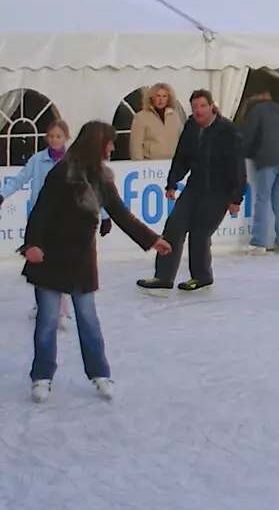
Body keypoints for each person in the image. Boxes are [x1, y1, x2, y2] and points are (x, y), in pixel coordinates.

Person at [19, 121, 171, 403]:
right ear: (97, 143)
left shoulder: (102, 177)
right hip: (51, 257)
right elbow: (39, 212)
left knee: (88, 320)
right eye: (109, 142)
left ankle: (100, 373)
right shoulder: (62, 172)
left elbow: (121, 213)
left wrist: (151, 239)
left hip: (81, 260)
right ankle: (41, 376)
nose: (112, 147)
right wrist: (32, 245)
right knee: (47, 321)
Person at [137, 90, 246, 295]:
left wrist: (236, 197)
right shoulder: (191, 127)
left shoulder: (227, 130)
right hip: (194, 187)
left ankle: (202, 277)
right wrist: (172, 183)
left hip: (218, 192)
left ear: (212, 106)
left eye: (202, 106)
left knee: (199, 233)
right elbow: (182, 157)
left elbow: (237, 166)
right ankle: (163, 277)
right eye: (194, 107)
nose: (198, 111)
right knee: (174, 227)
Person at [2, 120, 106, 330]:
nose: (55, 140)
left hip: (65, 218)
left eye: (59, 136)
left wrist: (104, 215)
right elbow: (19, 179)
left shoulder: (74, 162)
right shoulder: (37, 160)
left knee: (60, 260)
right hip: (42, 217)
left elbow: (94, 190)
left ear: (66, 138)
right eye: (51, 136)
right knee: (40, 260)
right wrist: (2, 194)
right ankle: (43, 302)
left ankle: (60, 307)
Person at [240, 91, 279, 254]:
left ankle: (259, 241)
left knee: (263, 198)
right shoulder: (278, 112)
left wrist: (242, 153)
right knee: (278, 197)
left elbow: (247, 136)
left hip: (268, 158)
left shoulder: (255, 112)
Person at [129, 83, 184, 162]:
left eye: (164, 96)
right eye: (158, 96)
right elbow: (136, 145)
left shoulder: (174, 116)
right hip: (150, 163)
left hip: (171, 162)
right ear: (151, 98)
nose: (161, 99)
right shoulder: (141, 117)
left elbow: (180, 140)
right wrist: (138, 164)